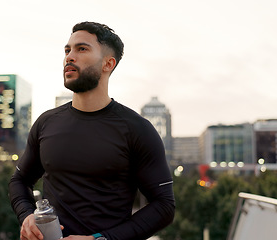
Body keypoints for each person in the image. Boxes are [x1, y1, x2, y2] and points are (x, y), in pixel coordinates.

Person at [9, 21, 175, 240]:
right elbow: (19, 181)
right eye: (67, 50)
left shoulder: (137, 129)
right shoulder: (46, 122)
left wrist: (101, 239)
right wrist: (27, 215)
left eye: (82, 49)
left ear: (108, 64)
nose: (69, 56)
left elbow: (164, 206)